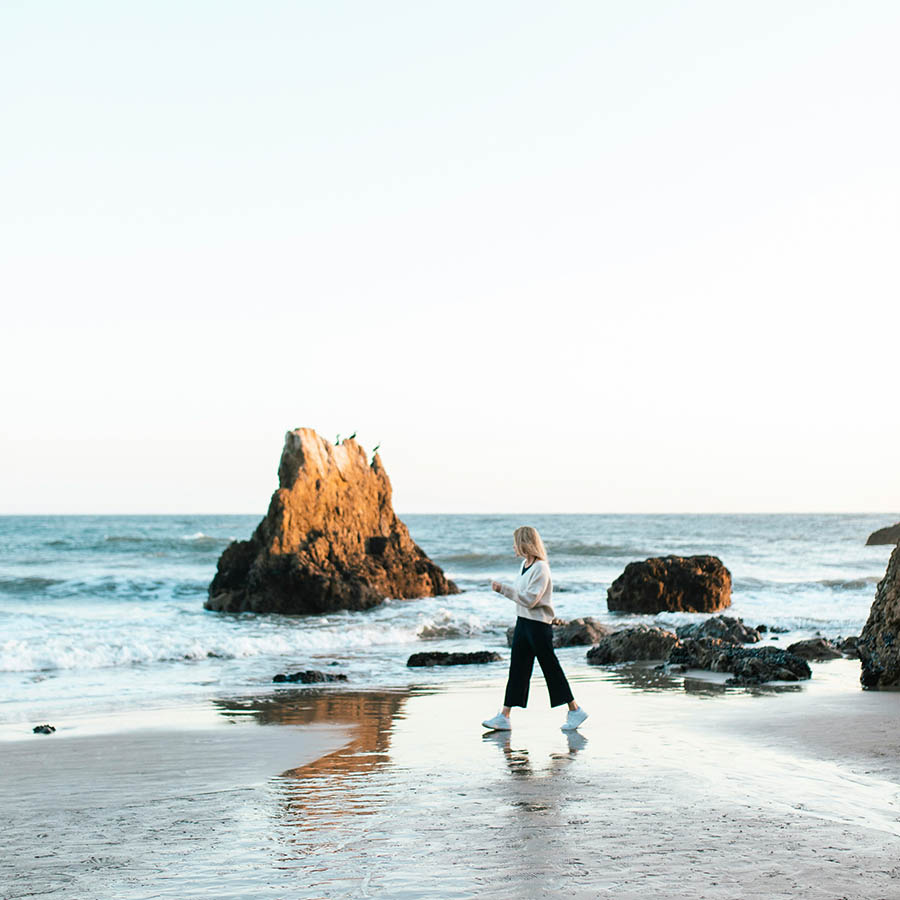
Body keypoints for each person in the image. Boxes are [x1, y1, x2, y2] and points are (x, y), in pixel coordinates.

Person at [482, 526, 588, 733]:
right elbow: (523, 597)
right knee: (518, 669)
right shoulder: (524, 565)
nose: (513, 546)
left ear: (524, 543)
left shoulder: (541, 568)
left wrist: (502, 589)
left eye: (515, 542)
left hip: (539, 625)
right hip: (523, 622)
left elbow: (530, 599)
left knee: (550, 668)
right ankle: (504, 716)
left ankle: (575, 710)